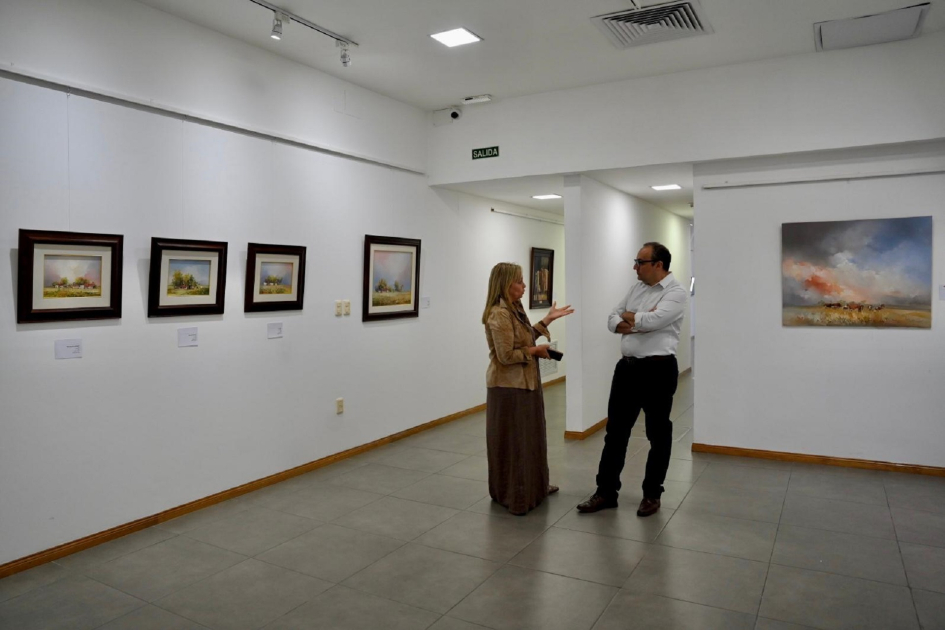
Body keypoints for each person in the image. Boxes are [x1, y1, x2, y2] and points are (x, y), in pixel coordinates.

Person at [577, 242, 686, 517]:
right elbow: (612, 319)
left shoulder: (676, 292)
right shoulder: (636, 288)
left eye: (640, 262)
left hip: (658, 370)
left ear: (658, 265)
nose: (634, 267)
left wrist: (633, 320)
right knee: (615, 432)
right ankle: (605, 492)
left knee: (658, 434)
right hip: (626, 370)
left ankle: (652, 494)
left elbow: (654, 321)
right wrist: (634, 321)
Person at [483, 262, 573, 515]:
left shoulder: (515, 308)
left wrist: (547, 320)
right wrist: (536, 351)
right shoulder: (498, 314)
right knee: (515, 443)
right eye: (519, 282)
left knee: (531, 439)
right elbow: (505, 355)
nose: (524, 286)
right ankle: (516, 495)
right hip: (509, 387)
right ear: (505, 285)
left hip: (527, 383)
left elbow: (524, 338)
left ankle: (535, 487)